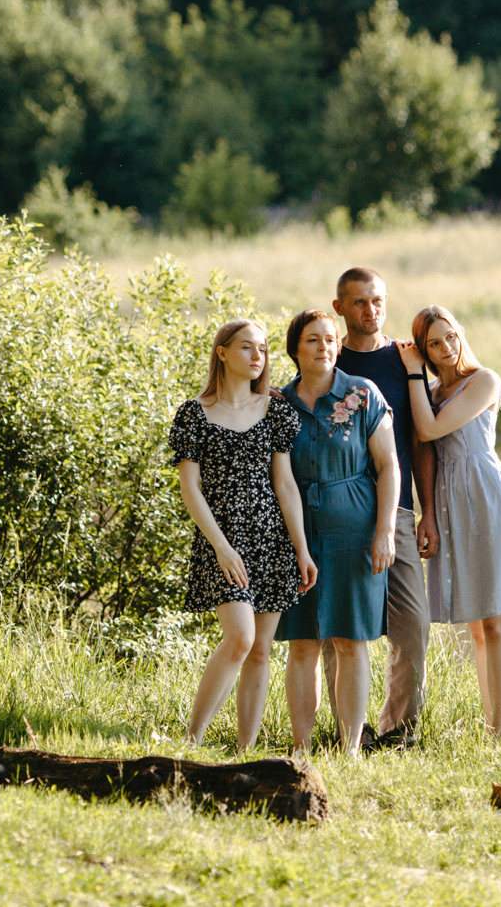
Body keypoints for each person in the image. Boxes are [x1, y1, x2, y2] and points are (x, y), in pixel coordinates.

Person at [397, 304, 501, 737]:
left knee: (497, 621)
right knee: (478, 627)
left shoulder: (484, 381)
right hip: (449, 504)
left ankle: (500, 732)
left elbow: (429, 430)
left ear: (460, 333)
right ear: (425, 350)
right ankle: (491, 723)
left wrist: (412, 373)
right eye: (434, 343)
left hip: (486, 497)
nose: (447, 347)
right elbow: (422, 448)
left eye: (451, 336)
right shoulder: (430, 393)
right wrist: (427, 513)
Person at [169, 318, 317, 751]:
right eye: (247, 347)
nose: (258, 356)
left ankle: (244, 752)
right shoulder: (194, 413)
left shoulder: (275, 411)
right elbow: (190, 488)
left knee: (260, 650)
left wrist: (301, 549)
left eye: (263, 349)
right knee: (240, 638)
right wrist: (221, 547)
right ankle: (191, 741)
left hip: (270, 539)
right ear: (222, 352)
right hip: (221, 541)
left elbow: (285, 484)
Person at [274, 309, 399, 754]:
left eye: (330, 339)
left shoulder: (363, 394)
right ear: (295, 349)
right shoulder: (278, 403)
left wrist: (385, 531)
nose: (324, 347)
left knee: (351, 641)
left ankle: (350, 749)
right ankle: (301, 747)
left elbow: (389, 466)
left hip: (356, 528)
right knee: (302, 643)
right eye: (313, 340)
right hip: (296, 531)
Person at [330, 266, 435, 747]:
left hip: (398, 514)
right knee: (338, 629)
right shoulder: (326, 359)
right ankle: (351, 731)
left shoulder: (405, 359)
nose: (370, 310)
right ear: (339, 308)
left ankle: (400, 730)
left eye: (377, 300)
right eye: (359, 302)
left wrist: (429, 511)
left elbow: (420, 441)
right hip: (338, 516)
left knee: (412, 627)